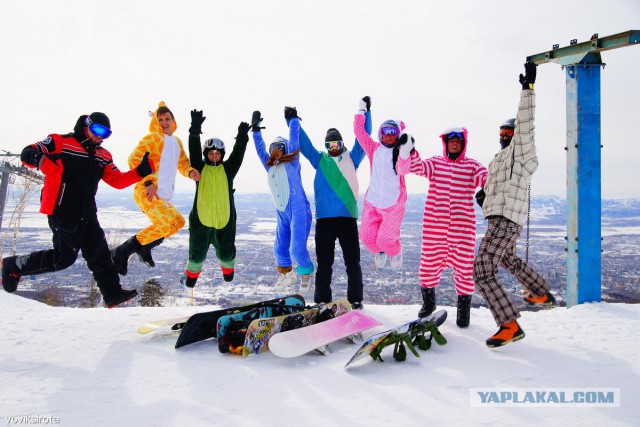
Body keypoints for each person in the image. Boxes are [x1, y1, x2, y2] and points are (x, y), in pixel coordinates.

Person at [1, 112, 153, 307]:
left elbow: (117, 180)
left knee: (100, 254)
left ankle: (112, 294)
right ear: (87, 125)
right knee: (64, 258)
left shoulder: (103, 155)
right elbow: (27, 152)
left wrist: (139, 172)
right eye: (98, 130)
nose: (100, 137)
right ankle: (13, 266)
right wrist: (42, 161)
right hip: (61, 210)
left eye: (106, 134)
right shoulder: (60, 142)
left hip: (87, 213)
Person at [473, 62, 556, 348]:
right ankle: (541, 293)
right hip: (501, 218)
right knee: (507, 259)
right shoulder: (498, 160)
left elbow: (526, 122)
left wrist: (527, 89)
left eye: (510, 132)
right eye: (502, 132)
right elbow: (499, 191)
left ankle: (509, 325)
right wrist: (484, 198)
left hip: (507, 220)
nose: (505, 136)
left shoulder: (522, 153)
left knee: (482, 269)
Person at [398, 127, 487, 327]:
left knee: (464, 271)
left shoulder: (472, 166)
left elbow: (487, 179)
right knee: (428, 267)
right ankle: (428, 304)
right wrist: (410, 151)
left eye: (458, 140)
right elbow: (417, 167)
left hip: (462, 230)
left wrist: (492, 186)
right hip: (434, 228)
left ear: (463, 143)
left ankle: (463, 312)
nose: (454, 143)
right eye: (450, 140)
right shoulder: (436, 164)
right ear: (445, 143)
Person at [298, 98, 371, 309]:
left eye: (336, 144)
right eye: (329, 145)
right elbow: (305, 145)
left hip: (347, 218)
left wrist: (365, 112)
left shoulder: (352, 157)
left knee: (352, 263)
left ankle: (355, 300)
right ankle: (322, 300)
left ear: (342, 143)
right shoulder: (320, 159)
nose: (333, 148)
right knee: (324, 264)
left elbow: (363, 137)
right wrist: (293, 122)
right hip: (325, 221)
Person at [111, 101, 199, 275]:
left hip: (163, 195)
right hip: (147, 191)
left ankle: (145, 247)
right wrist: (148, 183)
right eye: (160, 119)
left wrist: (190, 173)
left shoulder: (177, 142)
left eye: (167, 118)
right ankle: (121, 252)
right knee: (165, 225)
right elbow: (134, 159)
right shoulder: (152, 138)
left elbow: (183, 163)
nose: (164, 122)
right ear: (156, 122)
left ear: (173, 120)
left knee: (177, 223)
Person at [181, 109, 250, 288]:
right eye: (211, 153)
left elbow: (238, 154)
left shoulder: (227, 170)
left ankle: (228, 273)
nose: (214, 156)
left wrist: (242, 136)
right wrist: (195, 129)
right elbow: (193, 150)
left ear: (222, 155)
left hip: (224, 220)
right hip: (201, 219)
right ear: (206, 154)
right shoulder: (199, 169)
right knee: (196, 253)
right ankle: (191, 278)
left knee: (226, 253)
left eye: (217, 153)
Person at [251, 107, 314, 290]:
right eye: (273, 148)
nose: (275, 150)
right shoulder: (269, 166)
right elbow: (259, 148)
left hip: (298, 209)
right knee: (279, 249)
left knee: (296, 249)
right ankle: (287, 274)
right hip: (282, 211)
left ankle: (306, 272)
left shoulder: (292, 162)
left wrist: (293, 120)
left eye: (279, 147)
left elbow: (294, 139)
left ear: (285, 149)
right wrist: (255, 129)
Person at [352, 96, 413, 270]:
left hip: (392, 204)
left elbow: (405, 167)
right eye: (385, 131)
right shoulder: (374, 150)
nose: (388, 136)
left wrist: (406, 151)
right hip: (373, 202)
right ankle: (380, 251)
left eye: (393, 133)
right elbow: (360, 133)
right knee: (367, 238)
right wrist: (362, 110)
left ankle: (395, 251)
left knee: (386, 240)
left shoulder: (399, 152)